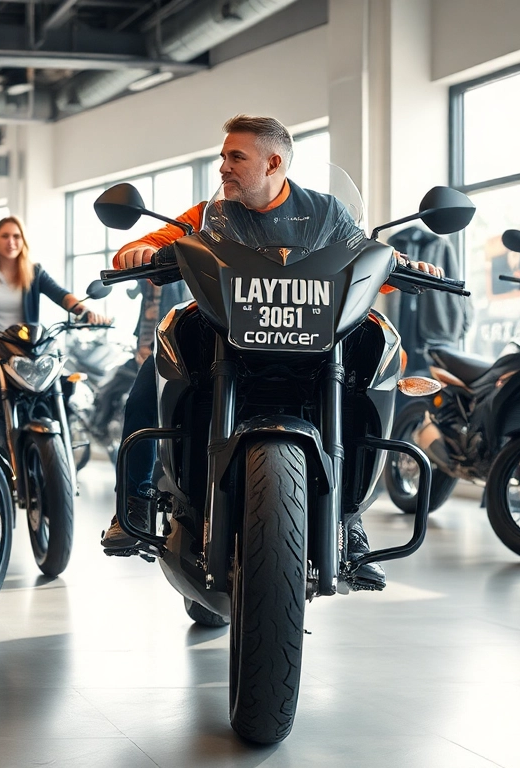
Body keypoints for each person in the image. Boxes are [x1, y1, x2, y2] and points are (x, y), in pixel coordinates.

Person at [99, 114, 443, 592]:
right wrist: (135, 251)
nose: (224, 166)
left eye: (236, 157)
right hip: (225, 330)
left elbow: (363, 255)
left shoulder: (327, 212)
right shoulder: (210, 213)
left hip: (314, 339)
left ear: (274, 163)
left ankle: (349, 519)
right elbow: (150, 243)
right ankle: (134, 503)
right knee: (157, 366)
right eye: (223, 156)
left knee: (372, 359)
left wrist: (404, 265)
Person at [0, 215, 109, 338]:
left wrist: (85, 312)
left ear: (23, 241)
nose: (11, 242)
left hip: (27, 347)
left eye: (16, 236)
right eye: (5, 236)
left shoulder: (35, 273)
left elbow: (62, 296)